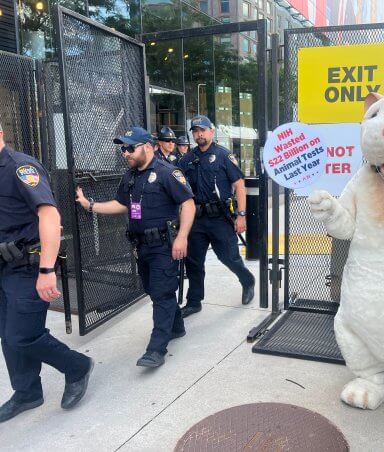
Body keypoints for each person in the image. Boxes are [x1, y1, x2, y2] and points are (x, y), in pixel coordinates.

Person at [76, 127, 195, 368]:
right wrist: (90, 205)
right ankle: (177, 325)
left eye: (130, 148)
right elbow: (122, 205)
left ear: (148, 147)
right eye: (123, 148)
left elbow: (188, 203)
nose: (125, 153)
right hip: (142, 246)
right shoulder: (130, 176)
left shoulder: (167, 173)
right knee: (153, 290)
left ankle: (156, 349)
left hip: (164, 245)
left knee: (161, 294)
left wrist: (182, 236)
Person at [0, 122, 93, 422]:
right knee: (7, 335)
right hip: (3, 268)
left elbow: (50, 215)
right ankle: (27, 392)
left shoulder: (20, 167)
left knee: (22, 337)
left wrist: (46, 269)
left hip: (27, 266)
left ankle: (76, 366)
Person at [178, 115, 255, 318]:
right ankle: (194, 301)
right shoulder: (186, 160)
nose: (199, 134)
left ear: (211, 131)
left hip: (219, 218)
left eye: (203, 130)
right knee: (194, 262)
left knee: (229, 257)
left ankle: (247, 281)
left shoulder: (223, 156)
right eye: (195, 131)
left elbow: (239, 185)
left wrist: (241, 216)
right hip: (195, 219)